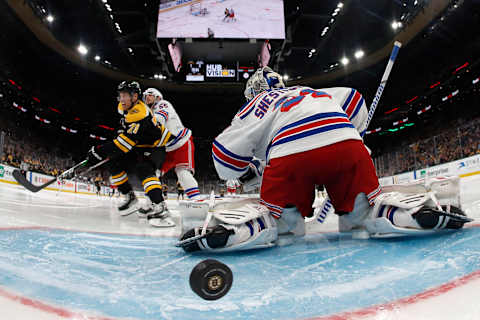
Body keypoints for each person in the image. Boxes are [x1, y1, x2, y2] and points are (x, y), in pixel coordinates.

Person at [178, 67, 471, 252]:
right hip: (346, 146)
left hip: (290, 157)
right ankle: (413, 213)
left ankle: (232, 231)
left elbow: (223, 159)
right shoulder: (312, 91)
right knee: (361, 217)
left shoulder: (256, 104)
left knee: (286, 228)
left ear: (253, 93)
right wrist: (352, 135)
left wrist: (250, 169)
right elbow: (355, 101)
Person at [86, 81, 176, 228]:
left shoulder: (140, 114)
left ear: (134, 96)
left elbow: (123, 145)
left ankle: (161, 208)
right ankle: (129, 196)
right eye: (120, 96)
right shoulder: (124, 107)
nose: (121, 99)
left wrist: (99, 151)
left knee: (144, 169)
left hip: (156, 146)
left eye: (124, 96)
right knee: (113, 160)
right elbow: (125, 130)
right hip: (139, 145)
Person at [143, 88, 201, 199]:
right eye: (145, 96)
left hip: (182, 142)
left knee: (182, 172)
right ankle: (152, 200)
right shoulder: (150, 113)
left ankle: (196, 199)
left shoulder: (162, 104)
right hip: (168, 148)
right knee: (154, 173)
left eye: (150, 95)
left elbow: (160, 120)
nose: (147, 98)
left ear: (157, 97)